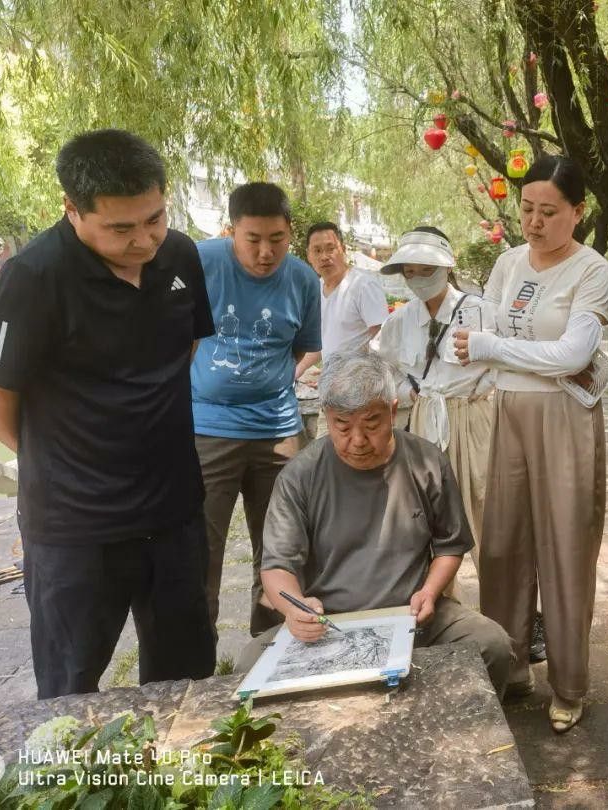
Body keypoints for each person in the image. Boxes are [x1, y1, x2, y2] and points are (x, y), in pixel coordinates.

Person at [0, 129, 216, 698]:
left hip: (174, 510)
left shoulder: (180, 255)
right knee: (70, 689)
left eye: (154, 218)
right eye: (121, 228)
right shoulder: (32, 278)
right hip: (76, 528)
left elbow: (185, 348)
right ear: (72, 211)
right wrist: (58, 458)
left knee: (188, 678)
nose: (144, 240)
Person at [236, 352, 514, 695]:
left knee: (492, 645)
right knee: (248, 664)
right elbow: (276, 567)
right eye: (342, 426)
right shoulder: (300, 475)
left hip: (411, 619)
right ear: (326, 417)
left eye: (371, 424)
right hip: (329, 626)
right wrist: (296, 608)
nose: (358, 440)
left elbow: (449, 546)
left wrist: (429, 591)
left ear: (393, 412)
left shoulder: (426, 462)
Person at [454, 154, 608, 732]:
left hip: (565, 418)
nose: (534, 222)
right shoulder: (507, 263)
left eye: (549, 211)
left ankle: (569, 684)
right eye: (526, 209)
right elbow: (478, 337)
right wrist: (496, 349)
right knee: (502, 543)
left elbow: (572, 356)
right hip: (510, 412)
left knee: (565, 546)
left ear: (578, 212)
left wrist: (497, 348)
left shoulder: (592, 270)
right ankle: (509, 664)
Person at [191, 182, 322, 637]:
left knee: (283, 548)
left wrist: (275, 382)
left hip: (278, 430)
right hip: (208, 428)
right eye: (253, 239)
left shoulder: (303, 279)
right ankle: (196, 656)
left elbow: (305, 348)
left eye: (277, 239)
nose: (266, 252)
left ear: (290, 232)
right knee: (201, 550)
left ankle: (271, 644)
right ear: (231, 232)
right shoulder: (201, 262)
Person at [373, 226, 494, 567]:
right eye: (410, 272)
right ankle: (437, 605)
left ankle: (506, 609)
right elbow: (383, 366)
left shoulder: (481, 312)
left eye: (427, 270)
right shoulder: (398, 321)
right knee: (425, 518)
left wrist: (482, 391)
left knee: (486, 510)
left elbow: (503, 362)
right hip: (424, 421)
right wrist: (406, 392)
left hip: (473, 418)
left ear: (447, 266)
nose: (418, 279)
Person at [305, 222, 388, 360]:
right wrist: (295, 371)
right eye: (317, 251)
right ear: (308, 256)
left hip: (360, 377)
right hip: (332, 377)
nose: (324, 256)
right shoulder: (316, 289)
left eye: (330, 249)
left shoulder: (363, 286)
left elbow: (383, 340)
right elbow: (322, 344)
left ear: (343, 250)